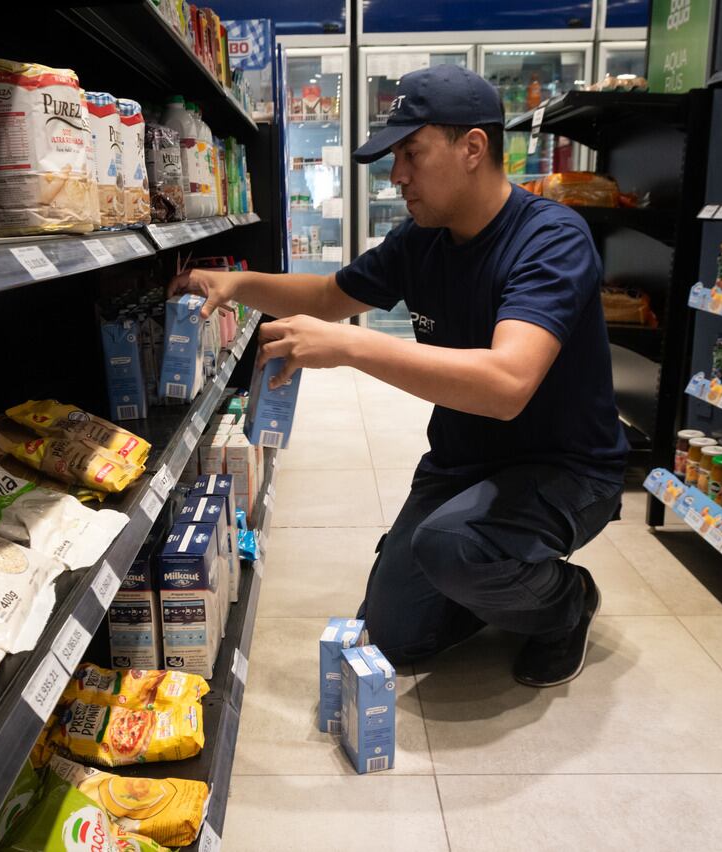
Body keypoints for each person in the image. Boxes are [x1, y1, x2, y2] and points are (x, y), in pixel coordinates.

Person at [170, 64, 627, 687]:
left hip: (567, 467)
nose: (397, 176)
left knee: (452, 548)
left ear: (473, 148)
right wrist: (239, 284)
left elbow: (505, 385)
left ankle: (564, 603)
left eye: (411, 153)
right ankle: (495, 575)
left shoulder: (551, 239)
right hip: (465, 464)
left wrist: (350, 350)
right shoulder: (423, 240)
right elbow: (332, 294)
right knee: (395, 635)